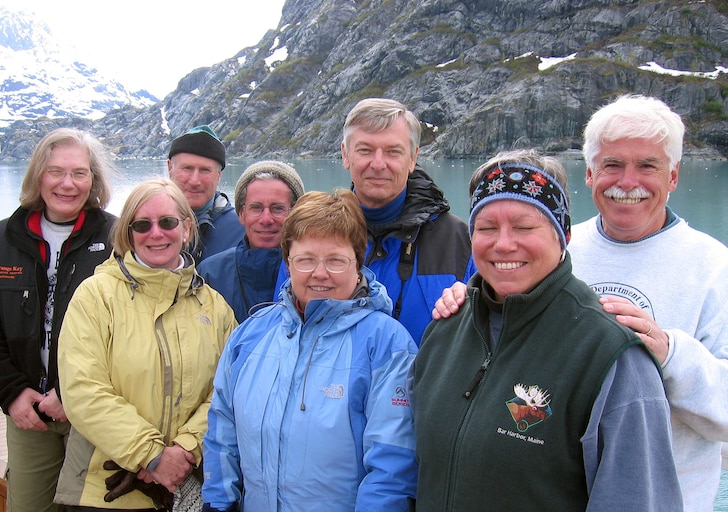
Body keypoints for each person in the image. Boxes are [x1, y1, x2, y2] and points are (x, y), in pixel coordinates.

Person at [433, 96, 728, 511]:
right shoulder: (547, 242)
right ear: (589, 174)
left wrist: (672, 353)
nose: (628, 181)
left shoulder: (715, 267)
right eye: (611, 165)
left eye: (647, 165)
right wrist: (474, 301)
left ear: (674, 175)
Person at [414, 151, 682, 511]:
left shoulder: (609, 354)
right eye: (487, 227)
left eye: (524, 227)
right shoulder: (445, 329)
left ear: (563, 234)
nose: (504, 244)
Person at [201, 190, 418, 512]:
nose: (319, 273)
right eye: (305, 259)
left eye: (335, 260)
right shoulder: (251, 335)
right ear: (287, 263)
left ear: (357, 263)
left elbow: (393, 464)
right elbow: (222, 430)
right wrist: (219, 504)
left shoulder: (386, 344)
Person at [53, 178, 237, 510]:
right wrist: (151, 455)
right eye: (142, 224)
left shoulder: (215, 306)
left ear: (185, 228)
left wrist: (183, 451)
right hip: (104, 487)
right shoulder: (96, 296)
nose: (156, 233)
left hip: (183, 484)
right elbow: (82, 389)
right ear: (128, 233)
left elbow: (228, 390)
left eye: (167, 222)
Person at [0, 128, 116, 512]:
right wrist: (11, 393)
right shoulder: (4, 238)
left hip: (96, 412)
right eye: (55, 172)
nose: (67, 183)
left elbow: (129, 336)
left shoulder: (118, 238)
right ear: (37, 176)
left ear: (94, 181)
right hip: (29, 414)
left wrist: (72, 396)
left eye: (80, 173)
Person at [276, 98, 471, 344]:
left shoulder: (460, 242)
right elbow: (284, 327)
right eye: (365, 150)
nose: (378, 164)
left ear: (413, 158)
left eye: (393, 151)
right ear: (345, 154)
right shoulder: (306, 236)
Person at [197, 160, 305, 322]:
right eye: (256, 208)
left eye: (277, 208)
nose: (266, 219)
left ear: (295, 214)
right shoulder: (211, 274)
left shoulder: (312, 272)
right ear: (241, 214)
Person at [167, 125, 244, 263]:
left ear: (219, 176)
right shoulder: (145, 225)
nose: (195, 181)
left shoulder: (241, 231)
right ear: (169, 168)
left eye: (205, 170)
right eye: (187, 168)